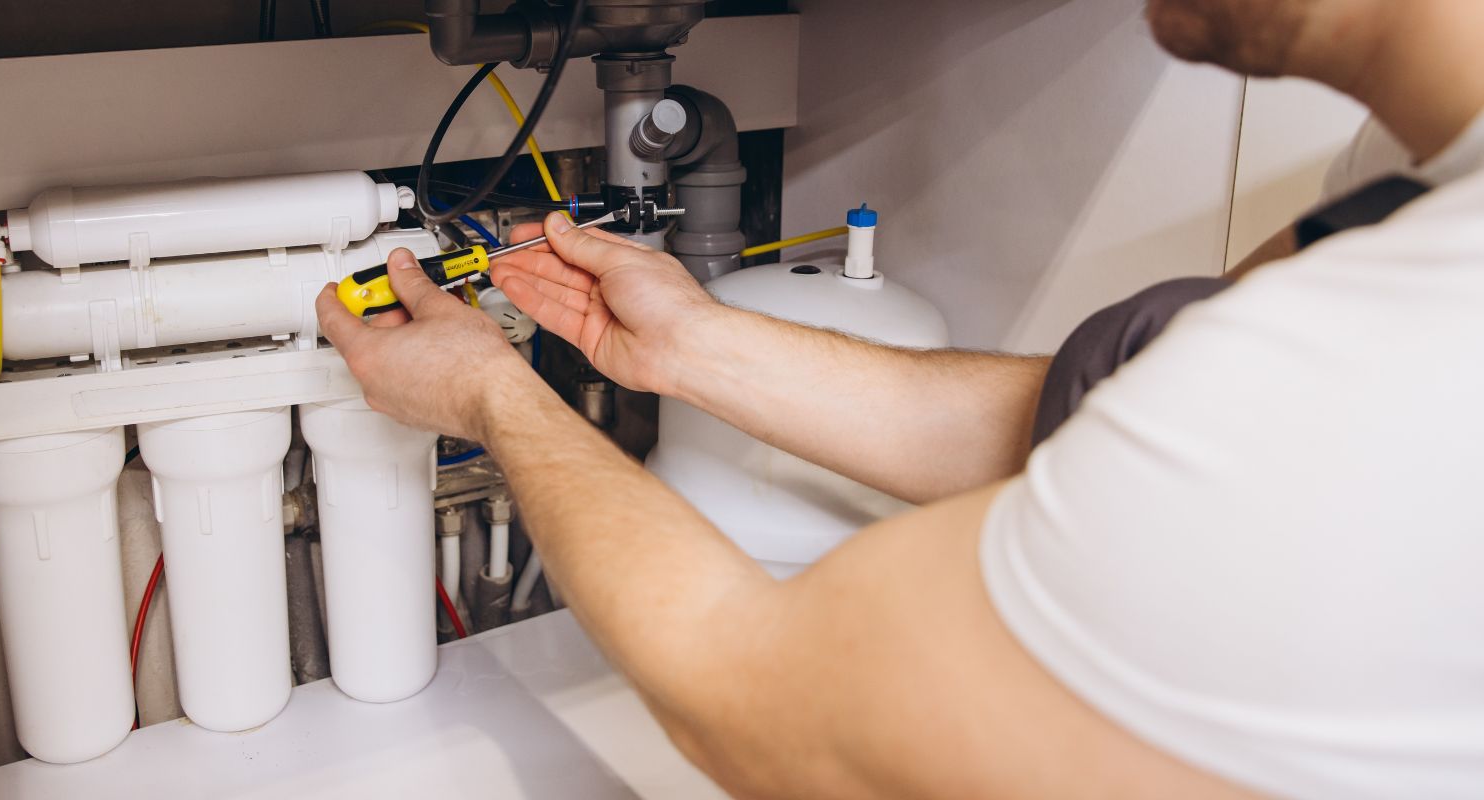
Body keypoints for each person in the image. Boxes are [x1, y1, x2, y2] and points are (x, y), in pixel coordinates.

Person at [313, 1, 1484, 796]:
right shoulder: (1415, 182)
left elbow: (756, 699)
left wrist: (493, 395)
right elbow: (1095, 419)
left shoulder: (1414, 350)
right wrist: (695, 348)